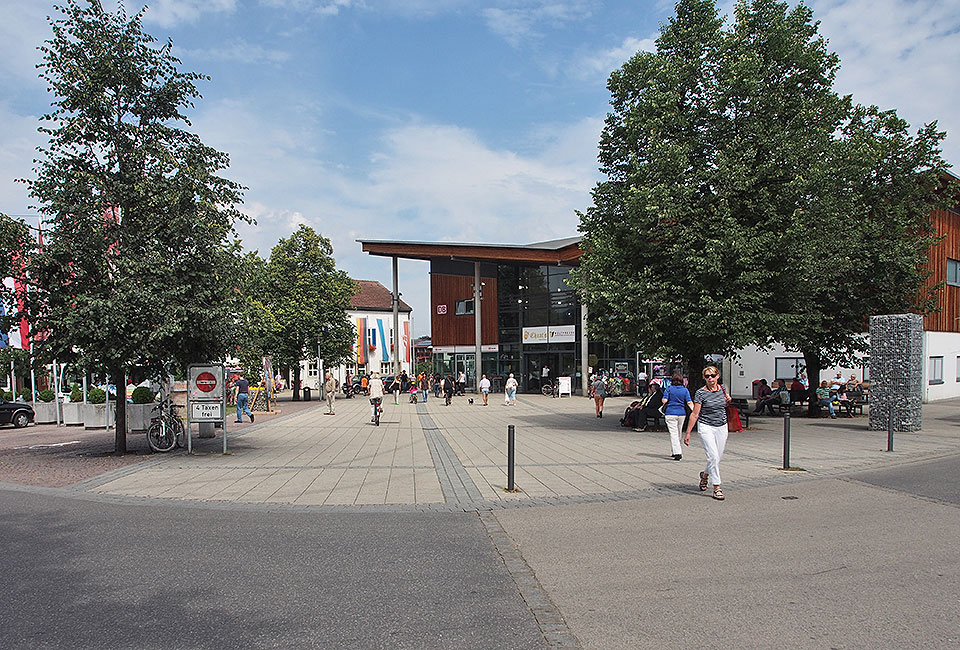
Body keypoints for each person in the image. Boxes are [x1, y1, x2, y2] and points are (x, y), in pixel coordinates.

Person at [683, 366, 731, 501]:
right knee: (713, 456)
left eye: (712, 375)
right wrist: (688, 433)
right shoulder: (701, 393)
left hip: (721, 425)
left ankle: (705, 475)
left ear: (718, 376)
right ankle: (717, 487)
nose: (710, 378)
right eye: (707, 376)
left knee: (716, 457)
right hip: (706, 426)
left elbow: (724, 405)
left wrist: (728, 400)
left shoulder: (723, 389)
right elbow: (695, 413)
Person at [662, 373, 693, 460]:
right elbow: (689, 402)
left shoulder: (668, 389)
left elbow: (664, 400)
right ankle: (674, 450)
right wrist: (695, 412)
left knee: (673, 434)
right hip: (681, 414)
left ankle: (677, 452)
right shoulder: (685, 390)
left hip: (670, 413)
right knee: (678, 433)